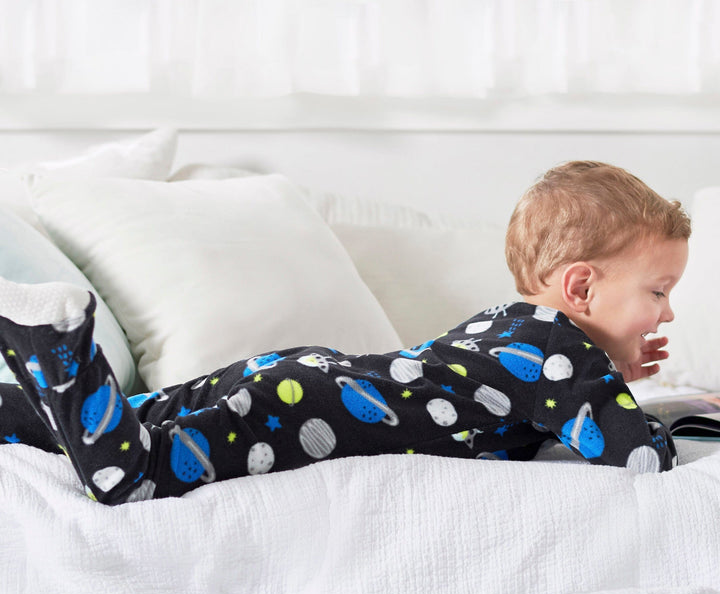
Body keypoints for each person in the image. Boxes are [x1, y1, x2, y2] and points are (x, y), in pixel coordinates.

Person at [0, 161, 690, 505]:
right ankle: (59, 346)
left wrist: (609, 374)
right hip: (309, 412)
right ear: (580, 288)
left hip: (298, 379)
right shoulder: (566, 356)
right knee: (135, 478)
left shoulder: (506, 326)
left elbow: (538, 400)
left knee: (140, 416)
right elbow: (640, 462)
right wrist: (626, 399)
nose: (666, 314)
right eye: (657, 291)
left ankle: (17, 394)